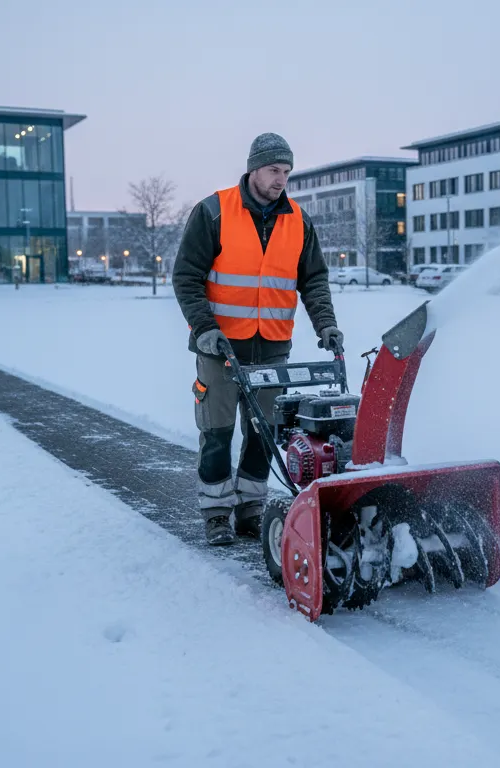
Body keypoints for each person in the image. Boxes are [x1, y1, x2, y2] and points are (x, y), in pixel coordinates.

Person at [172, 133, 343, 545]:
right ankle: (216, 512)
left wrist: (326, 325)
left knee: (263, 432)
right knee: (217, 431)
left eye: (286, 172)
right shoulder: (214, 212)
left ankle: (250, 508)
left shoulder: (298, 221)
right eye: (273, 170)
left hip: (271, 347)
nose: (281, 179)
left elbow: (314, 280)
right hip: (220, 347)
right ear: (253, 169)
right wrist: (205, 329)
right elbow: (187, 276)